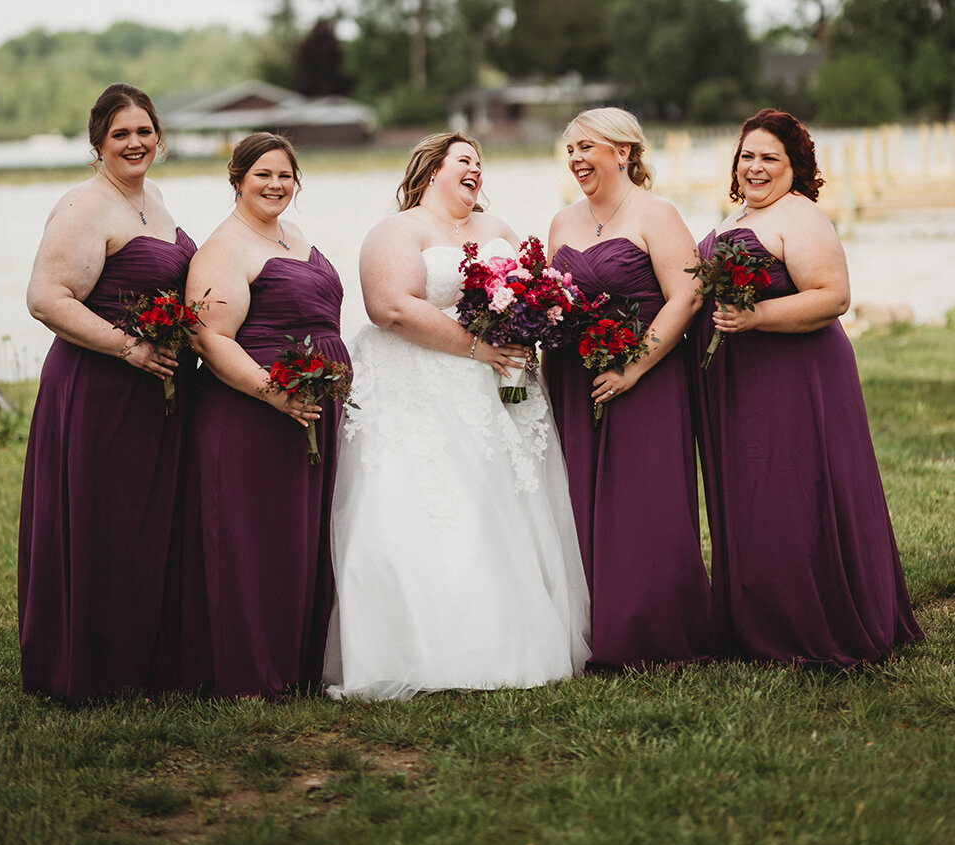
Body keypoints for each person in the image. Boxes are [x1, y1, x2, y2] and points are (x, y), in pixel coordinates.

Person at [323, 132, 591, 700]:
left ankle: (510, 637)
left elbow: (532, 292)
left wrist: (526, 327)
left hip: (501, 389)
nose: (476, 170)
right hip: (420, 388)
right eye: (463, 160)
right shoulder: (398, 231)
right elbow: (391, 307)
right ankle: (421, 647)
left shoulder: (498, 232)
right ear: (431, 169)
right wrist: (477, 348)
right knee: (429, 508)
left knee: (503, 506)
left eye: (480, 163)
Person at [695, 108, 923, 665]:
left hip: (796, 375)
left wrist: (756, 318)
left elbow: (833, 297)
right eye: (747, 155)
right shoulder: (738, 215)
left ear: (794, 165)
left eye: (769, 157)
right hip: (741, 379)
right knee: (752, 494)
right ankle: (756, 621)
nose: (755, 167)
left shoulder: (801, 217)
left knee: (796, 490)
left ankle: (809, 623)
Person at [18, 83, 195, 703]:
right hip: (97, 388)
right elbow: (46, 298)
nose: (135, 142)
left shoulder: (156, 200)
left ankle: (144, 658)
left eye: (144, 131)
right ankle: (92, 665)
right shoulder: (84, 206)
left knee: (145, 523)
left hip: (154, 392)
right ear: (98, 143)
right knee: (104, 521)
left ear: (159, 137)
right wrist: (128, 346)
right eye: (120, 133)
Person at [545, 107, 715, 668]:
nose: (576, 160)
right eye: (570, 150)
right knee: (578, 497)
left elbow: (686, 297)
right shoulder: (562, 222)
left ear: (623, 152)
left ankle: (654, 630)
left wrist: (635, 366)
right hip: (576, 375)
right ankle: (593, 624)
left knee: (643, 497)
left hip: (647, 374)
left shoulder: (656, 214)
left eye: (586, 148)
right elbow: (552, 299)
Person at [180, 132, 344, 697]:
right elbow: (211, 339)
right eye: (263, 176)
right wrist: (273, 392)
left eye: (285, 176)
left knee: (300, 540)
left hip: (309, 411)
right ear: (237, 179)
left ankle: (297, 665)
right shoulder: (223, 250)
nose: (276, 185)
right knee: (257, 543)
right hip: (251, 415)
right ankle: (250, 674)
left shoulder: (291, 235)